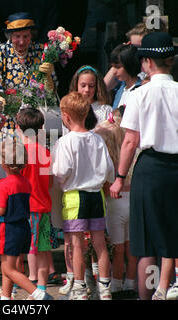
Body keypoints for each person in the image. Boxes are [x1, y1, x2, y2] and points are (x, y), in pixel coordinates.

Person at [110, 32, 178, 300]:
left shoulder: (140, 94)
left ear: (148, 61)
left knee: (146, 241)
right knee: (173, 232)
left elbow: (130, 141)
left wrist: (119, 176)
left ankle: (147, 297)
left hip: (150, 168)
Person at [52, 91, 114, 300]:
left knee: (77, 245)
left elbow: (61, 170)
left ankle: (79, 289)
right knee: (100, 244)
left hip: (75, 196)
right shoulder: (97, 139)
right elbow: (108, 170)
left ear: (66, 116)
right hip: (97, 196)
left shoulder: (65, 142)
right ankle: (105, 289)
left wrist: (63, 183)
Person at [0, 138, 53, 300]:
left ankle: (38, 294)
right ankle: (5, 297)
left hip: (9, 229)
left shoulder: (3, 184)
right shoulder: (25, 183)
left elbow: (1, 209)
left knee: (9, 269)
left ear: (4, 164)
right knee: (8, 266)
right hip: (24, 228)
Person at [94, 108, 138, 299]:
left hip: (114, 203)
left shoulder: (109, 161)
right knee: (132, 247)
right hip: (133, 200)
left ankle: (116, 286)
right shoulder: (134, 155)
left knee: (117, 249)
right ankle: (130, 283)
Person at [16, 108, 53, 294]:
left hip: (28, 207)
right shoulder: (45, 152)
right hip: (45, 206)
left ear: (17, 127)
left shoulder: (19, 153)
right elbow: (51, 182)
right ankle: (42, 287)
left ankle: (31, 281)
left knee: (30, 247)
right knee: (44, 248)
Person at [0, 12, 54, 109]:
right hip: (9, 113)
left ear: (31, 36)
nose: (21, 41)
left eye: (25, 36)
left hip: (36, 114)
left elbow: (51, 91)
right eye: (17, 36)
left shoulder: (41, 51)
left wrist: (48, 77)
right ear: (10, 36)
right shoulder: (0, 52)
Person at [109, 44, 142, 110]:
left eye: (118, 67)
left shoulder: (141, 89)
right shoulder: (121, 89)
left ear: (129, 65)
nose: (114, 72)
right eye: (113, 67)